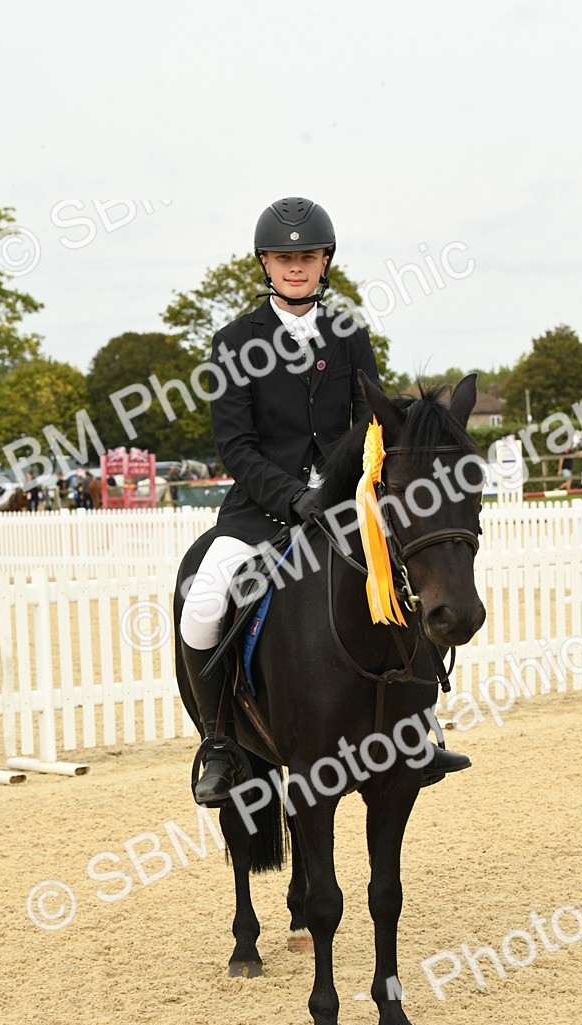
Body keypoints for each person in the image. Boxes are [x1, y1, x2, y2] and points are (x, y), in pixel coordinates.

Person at [179, 196, 469, 806]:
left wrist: (351, 490)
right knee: (202, 603)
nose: (295, 266)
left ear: (324, 261)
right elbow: (236, 444)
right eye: (284, 257)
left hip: (346, 506)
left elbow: (371, 423)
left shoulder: (348, 335)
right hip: (261, 509)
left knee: (412, 581)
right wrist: (292, 496)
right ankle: (220, 743)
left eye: (306, 256)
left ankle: (417, 727)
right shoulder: (235, 342)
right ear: (265, 263)